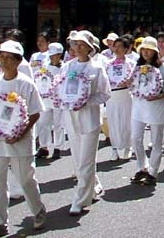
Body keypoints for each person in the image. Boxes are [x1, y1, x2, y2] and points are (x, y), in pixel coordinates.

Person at [0, 40, 46, 238]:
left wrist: (20, 132)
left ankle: (38, 210)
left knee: (25, 179)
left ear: (18, 61)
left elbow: (35, 112)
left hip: (21, 141)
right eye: (1, 57)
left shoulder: (26, 84)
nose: (4, 61)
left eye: (9, 58)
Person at [59, 30, 111, 216]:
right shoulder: (67, 67)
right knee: (77, 158)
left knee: (86, 160)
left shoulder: (96, 68)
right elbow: (61, 89)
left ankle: (80, 199)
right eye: (75, 44)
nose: (78, 47)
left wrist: (85, 101)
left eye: (82, 44)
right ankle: (94, 185)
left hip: (89, 118)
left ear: (90, 48)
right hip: (71, 118)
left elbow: (105, 94)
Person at [129, 37, 164, 185]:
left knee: (156, 141)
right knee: (135, 138)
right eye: (143, 50)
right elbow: (133, 85)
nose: (146, 52)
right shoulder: (137, 67)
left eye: (149, 50)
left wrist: (155, 96)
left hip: (156, 107)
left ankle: (153, 172)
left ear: (155, 52)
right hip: (138, 107)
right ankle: (142, 167)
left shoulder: (163, 68)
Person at [35, 42, 65, 160]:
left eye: (55, 55)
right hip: (46, 99)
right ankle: (44, 146)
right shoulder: (45, 66)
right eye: (51, 55)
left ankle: (58, 147)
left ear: (60, 55)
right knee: (43, 122)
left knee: (58, 123)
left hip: (58, 100)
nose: (53, 58)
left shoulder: (64, 67)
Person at [106, 37, 133, 161]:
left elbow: (135, 79)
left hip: (125, 95)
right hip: (112, 96)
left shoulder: (131, 63)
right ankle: (114, 148)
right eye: (115, 46)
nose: (116, 49)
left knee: (126, 121)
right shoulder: (108, 64)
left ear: (126, 49)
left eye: (120, 46)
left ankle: (128, 146)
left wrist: (129, 82)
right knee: (113, 122)